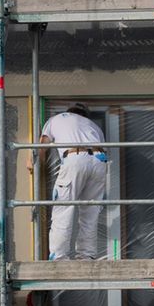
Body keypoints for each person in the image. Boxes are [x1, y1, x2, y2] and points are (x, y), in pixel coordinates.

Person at [30, 103, 108, 260]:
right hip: (100, 161)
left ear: (69, 112)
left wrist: (32, 162)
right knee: (90, 213)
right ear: (84, 115)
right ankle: (87, 256)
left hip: (75, 157)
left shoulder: (55, 120)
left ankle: (59, 257)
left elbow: (42, 147)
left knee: (63, 208)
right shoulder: (93, 126)